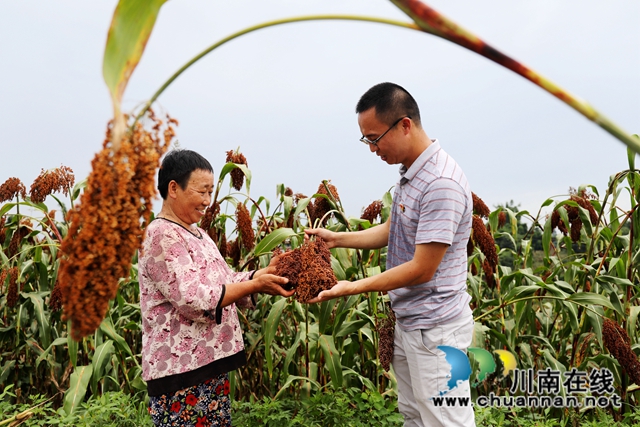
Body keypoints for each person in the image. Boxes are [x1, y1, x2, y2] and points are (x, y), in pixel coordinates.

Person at [306, 82, 475, 427]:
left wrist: (351, 287)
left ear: (404, 125)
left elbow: (421, 269)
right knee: (414, 416)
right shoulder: (412, 174)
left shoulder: (440, 183)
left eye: (374, 138)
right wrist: (337, 239)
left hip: (436, 330)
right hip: (411, 323)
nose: (371, 148)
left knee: (446, 421)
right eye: (366, 140)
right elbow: (393, 228)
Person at [139, 149, 294, 427]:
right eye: (202, 192)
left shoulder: (198, 234)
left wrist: (264, 274)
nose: (208, 202)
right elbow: (193, 299)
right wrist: (256, 283)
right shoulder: (161, 234)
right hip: (181, 375)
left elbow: (225, 281)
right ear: (173, 188)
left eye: (211, 192)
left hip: (208, 367)